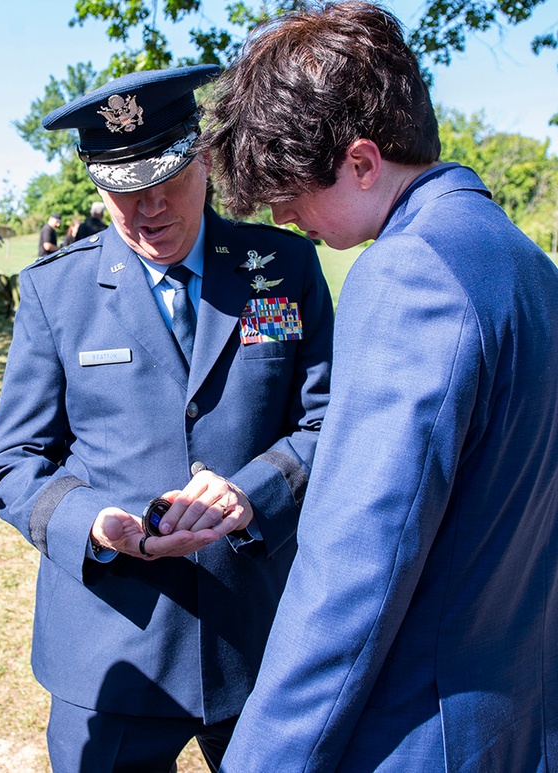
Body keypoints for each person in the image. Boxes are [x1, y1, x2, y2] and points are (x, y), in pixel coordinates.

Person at [202, 3, 558, 770]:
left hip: (417, 734)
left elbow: (355, 567)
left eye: (294, 195)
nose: (288, 219)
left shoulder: (407, 274)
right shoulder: (526, 264)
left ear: (362, 162)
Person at [0, 64, 334, 771]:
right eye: (124, 190)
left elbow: (329, 421)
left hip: (257, 632)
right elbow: (13, 463)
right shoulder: (57, 292)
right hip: (114, 645)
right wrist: (94, 527)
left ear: (204, 156)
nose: (150, 209)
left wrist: (252, 492)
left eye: (168, 179)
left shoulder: (283, 267)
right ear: (96, 185)